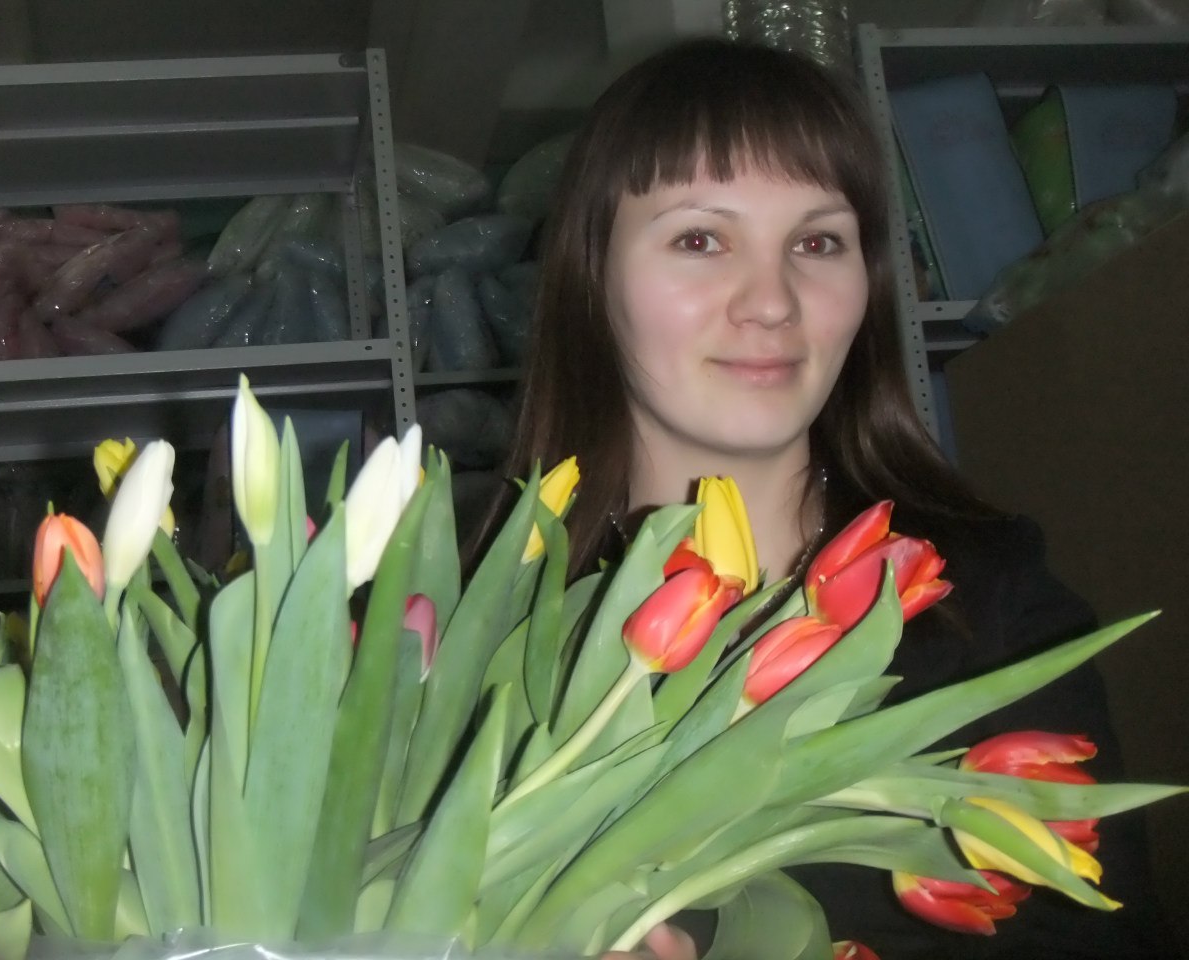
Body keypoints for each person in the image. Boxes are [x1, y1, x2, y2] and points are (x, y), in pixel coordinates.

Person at [481, 36, 1175, 960]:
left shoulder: (989, 606)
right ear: (591, 274)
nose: (771, 301)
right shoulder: (479, 634)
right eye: (700, 239)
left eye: (817, 242)